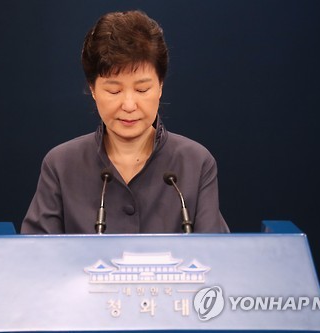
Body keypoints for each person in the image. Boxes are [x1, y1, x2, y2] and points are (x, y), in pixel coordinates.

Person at [21, 10, 229, 234]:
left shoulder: (195, 163)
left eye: (142, 89)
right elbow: (36, 258)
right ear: (92, 89)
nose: (129, 105)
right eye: (114, 90)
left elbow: (214, 258)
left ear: (160, 86)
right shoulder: (61, 165)